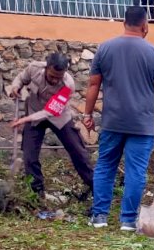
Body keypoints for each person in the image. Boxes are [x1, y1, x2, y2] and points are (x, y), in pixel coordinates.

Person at [82, 6, 154, 231]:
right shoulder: (153, 52)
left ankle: (100, 217)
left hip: (112, 122)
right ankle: (127, 221)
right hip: (141, 125)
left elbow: (93, 84)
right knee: (136, 171)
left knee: (105, 166)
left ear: (124, 23)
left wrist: (87, 114)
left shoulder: (105, 48)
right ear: (145, 25)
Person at [9, 52, 93, 200]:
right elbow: (21, 78)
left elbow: (49, 111)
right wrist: (16, 87)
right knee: (29, 155)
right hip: (34, 112)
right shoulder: (34, 68)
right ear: (46, 68)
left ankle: (95, 186)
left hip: (58, 116)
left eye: (58, 77)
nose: (54, 80)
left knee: (78, 151)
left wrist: (25, 119)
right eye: (52, 75)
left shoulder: (68, 85)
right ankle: (37, 193)